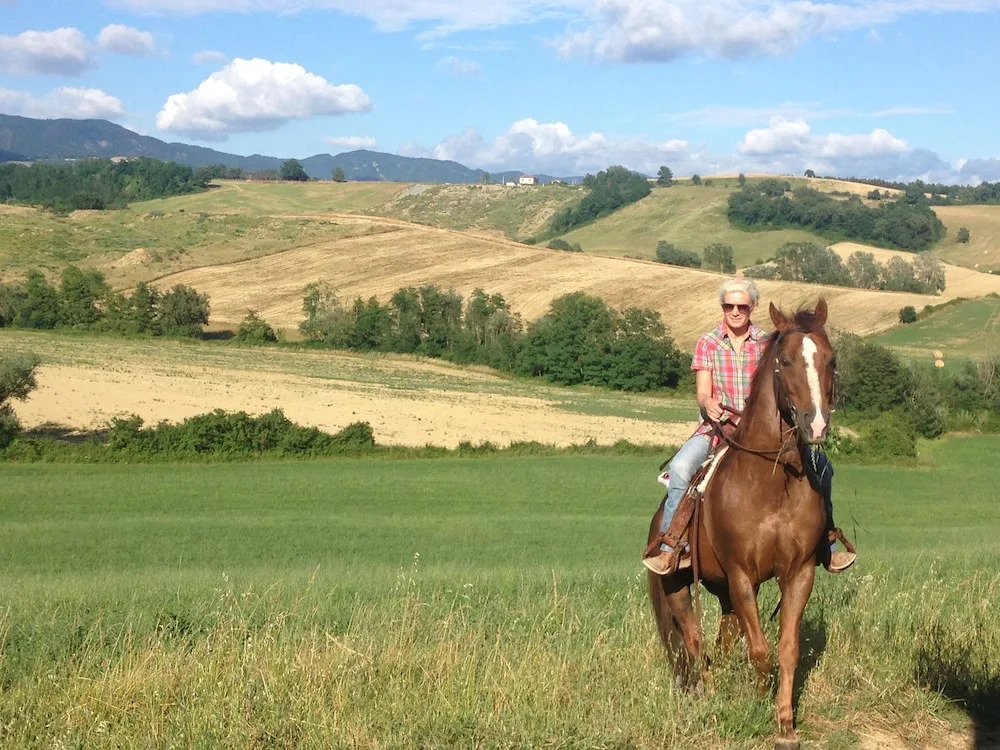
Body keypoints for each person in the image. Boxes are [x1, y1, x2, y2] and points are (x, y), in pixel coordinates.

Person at [642, 277, 857, 576]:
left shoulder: (767, 344)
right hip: (717, 430)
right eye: (728, 305)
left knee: (823, 469)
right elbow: (702, 391)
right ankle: (671, 545)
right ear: (722, 307)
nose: (735, 311)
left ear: (753, 307)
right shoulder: (708, 342)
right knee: (680, 468)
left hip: (760, 432)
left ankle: (827, 544)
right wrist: (708, 402)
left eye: (741, 306)